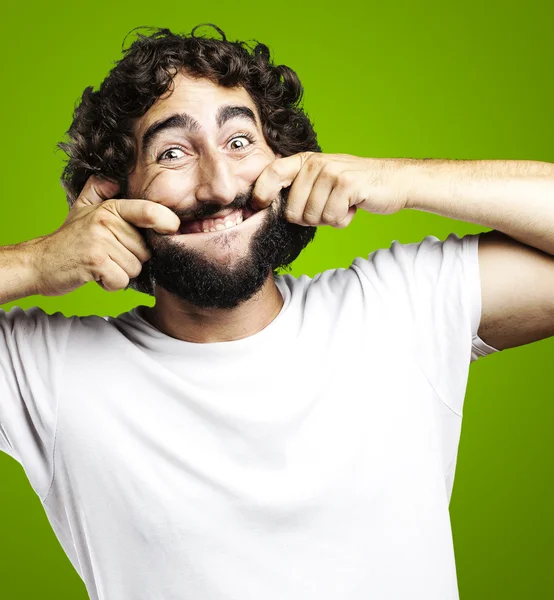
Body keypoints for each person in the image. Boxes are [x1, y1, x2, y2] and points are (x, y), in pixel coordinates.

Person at [1, 23, 552, 600]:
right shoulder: (46, 371)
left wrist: (404, 177)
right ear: (115, 202)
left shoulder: (399, 306)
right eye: (172, 153)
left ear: (287, 164)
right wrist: (39, 261)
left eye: (239, 141)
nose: (218, 184)